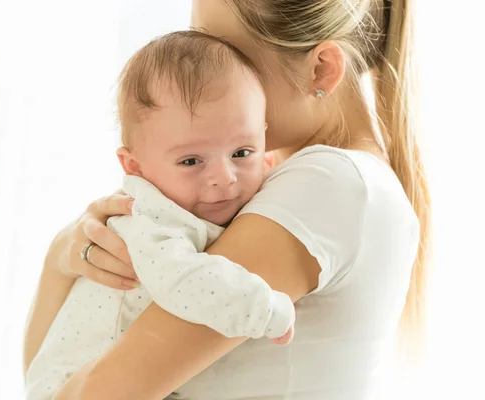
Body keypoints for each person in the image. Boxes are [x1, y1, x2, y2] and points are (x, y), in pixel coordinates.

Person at [24, 0, 431, 398]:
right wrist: (62, 257)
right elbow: (49, 372)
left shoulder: (327, 184)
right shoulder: (267, 187)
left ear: (321, 69)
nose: (202, 71)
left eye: (226, 52)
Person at [24, 30, 295, 400]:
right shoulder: (149, 219)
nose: (223, 178)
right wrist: (265, 310)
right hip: (72, 383)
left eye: (241, 152)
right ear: (134, 166)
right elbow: (184, 281)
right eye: (191, 161)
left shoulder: (254, 188)